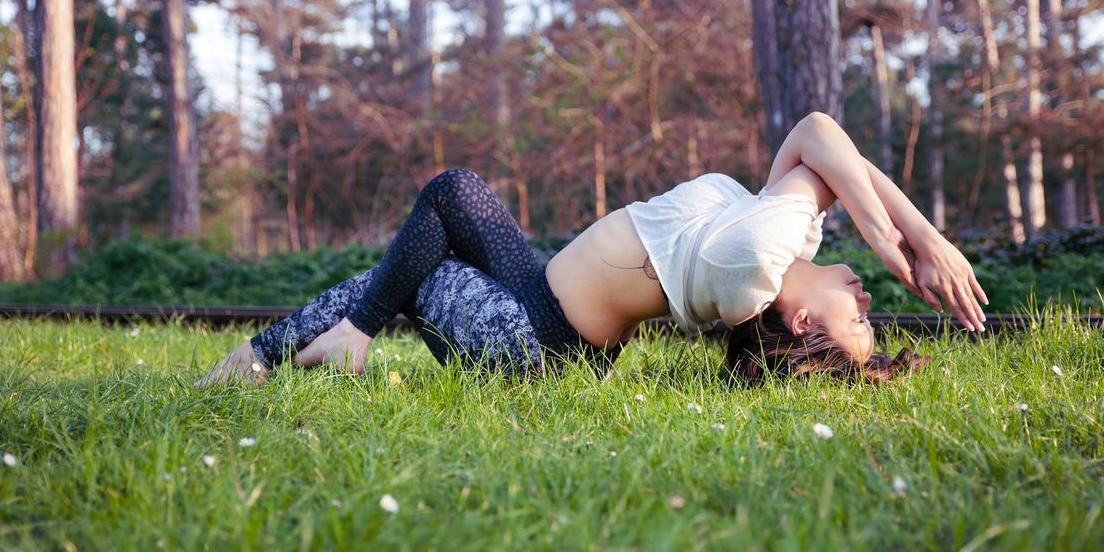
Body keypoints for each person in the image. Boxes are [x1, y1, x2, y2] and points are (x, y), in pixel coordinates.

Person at [196, 112, 987, 387]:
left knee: (448, 206)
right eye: (870, 311)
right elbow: (829, 155)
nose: (870, 298)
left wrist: (901, 236)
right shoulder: (780, 234)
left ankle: (335, 342)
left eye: (860, 321)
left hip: (537, 342)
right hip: (544, 303)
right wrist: (918, 238)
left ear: (802, 318)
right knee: (429, 236)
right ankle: (276, 354)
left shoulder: (755, 265)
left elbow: (820, 133)